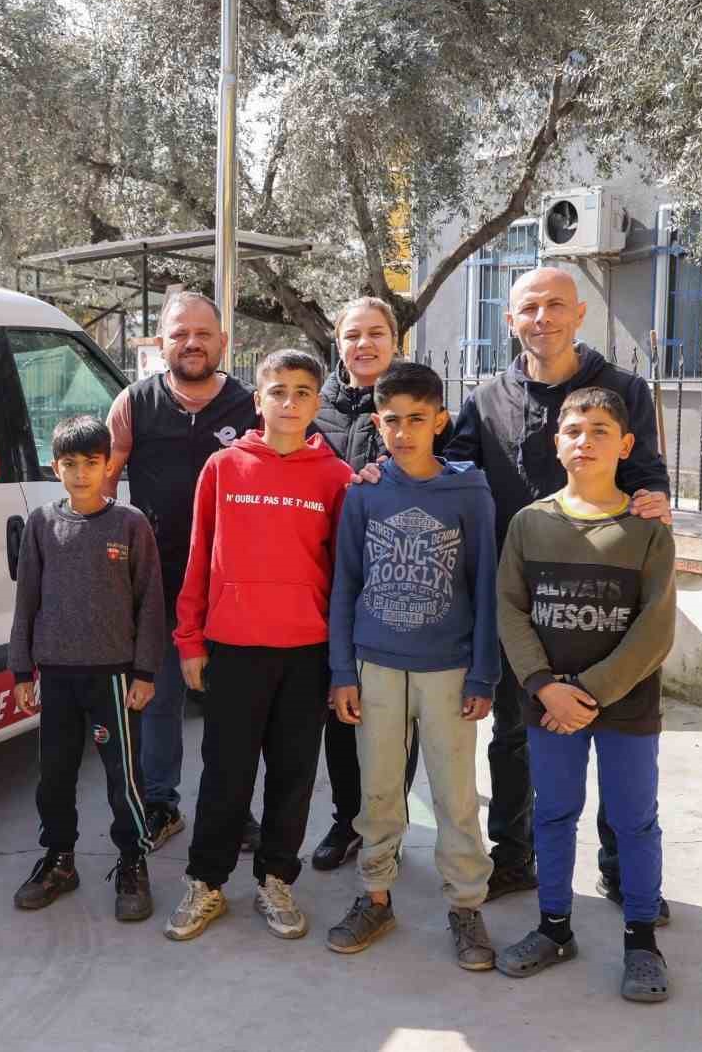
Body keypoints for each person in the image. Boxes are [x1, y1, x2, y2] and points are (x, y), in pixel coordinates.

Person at [438, 266, 672, 914]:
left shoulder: (623, 390)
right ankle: (512, 859)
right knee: (513, 736)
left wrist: (657, 501)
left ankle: (623, 872)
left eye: (556, 306)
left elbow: (649, 472)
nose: (543, 318)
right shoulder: (486, 399)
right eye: (529, 308)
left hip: (609, 601)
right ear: (510, 320)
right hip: (522, 602)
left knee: (612, 738)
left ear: (579, 314)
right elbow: (449, 471)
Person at [163, 349, 353, 942]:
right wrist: (189, 640)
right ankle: (207, 881)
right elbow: (198, 558)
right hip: (234, 648)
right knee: (225, 771)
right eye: (277, 391)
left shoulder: (337, 477)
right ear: (257, 400)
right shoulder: (223, 468)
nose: (289, 402)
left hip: (306, 653)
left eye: (302, 392)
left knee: (293, 774)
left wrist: (341, 661)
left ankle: (276, 877)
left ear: (317, 403)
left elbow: (345, 577)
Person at [493, 387, 677, 1002]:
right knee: (553, 813)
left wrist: (588, 694)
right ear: (557, 443)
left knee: (633, 820)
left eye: (600, 430)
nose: (585, 440)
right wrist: (546, 688)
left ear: (625, 445)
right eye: (574, 430)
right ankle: (554, 928)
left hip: (624, 708)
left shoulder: (647, 529)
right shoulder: (530, 523)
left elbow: (655, 628)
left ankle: (642, 939)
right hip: (549, 708)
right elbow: (511, 611)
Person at [322, 362, 501, 971]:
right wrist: (341, 670)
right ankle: (375, 894)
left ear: (440, 421)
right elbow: (345, 583)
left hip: (448, 669)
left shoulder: (469, 491)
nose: (403, 432)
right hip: (375, 666)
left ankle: (465, 906)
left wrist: (484, 673)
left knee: (454, 796)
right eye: (392, 421)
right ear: (377, 422)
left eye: (416, 420)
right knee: (378, 790)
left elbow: (484, 587)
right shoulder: (364, 491)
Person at [104, 292, 262, 853]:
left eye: (202, 333)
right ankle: (161, 803)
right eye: (178, 334)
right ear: (161, 342)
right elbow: (102, 482)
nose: (191, 343)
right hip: (157, 581)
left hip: (234, 583)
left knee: (230, 704)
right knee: (159, 695)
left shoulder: (252, 407)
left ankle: (233, 810)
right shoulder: (133, 403)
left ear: (224, 341)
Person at [9, 415, 167, 921]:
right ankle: (59, 858)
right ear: (56, 468)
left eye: (91, 463)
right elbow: (27, 600)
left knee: (123, 778)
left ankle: (132, 861)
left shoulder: (130, 524)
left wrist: (145, 672)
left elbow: (150, 604)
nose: (81, 473)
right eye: (70, 464)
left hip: (114, 677)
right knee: (53, 776)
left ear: (107, 467)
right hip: (56, 675)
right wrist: (20, 671)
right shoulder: (41, 524)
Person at [307, 297, 442, 871]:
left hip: (400, 581)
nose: (364, 345)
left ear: (396, 341)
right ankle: (348, 820)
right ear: (337, 345)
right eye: (352, 336)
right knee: (343, 708)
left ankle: (388, 816)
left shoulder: (420, 408)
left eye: (376, 334)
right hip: (329, 581)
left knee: (399, 715)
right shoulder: (316, 411)